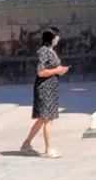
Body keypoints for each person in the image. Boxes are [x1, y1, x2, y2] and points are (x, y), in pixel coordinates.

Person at [20, 27, 68, 158]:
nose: (58, 38)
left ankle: (26, 144)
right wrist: (57, 70)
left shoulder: (52, 51)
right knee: (47, 118)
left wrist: (60, 70)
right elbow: (41, 72)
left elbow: (52, 69)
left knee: (43, 118)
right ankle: (49, 149)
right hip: (44, 88)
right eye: (57, 36)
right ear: (51, 38)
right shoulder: (43, 51)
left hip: (52, 87)